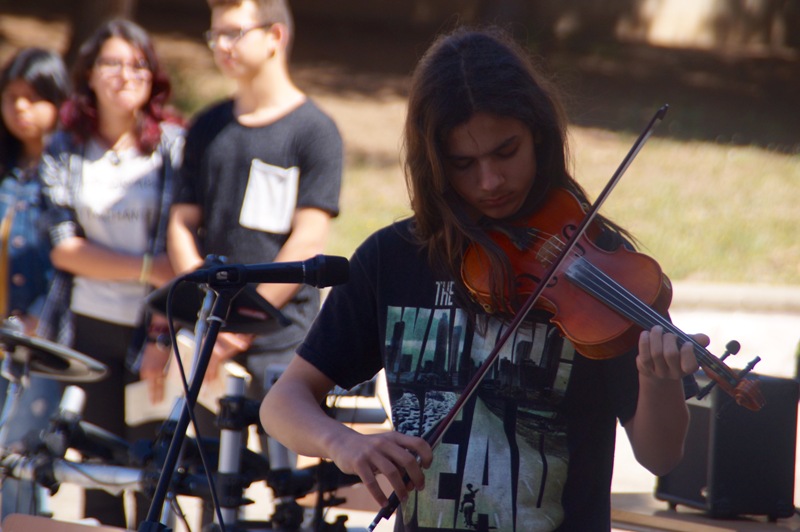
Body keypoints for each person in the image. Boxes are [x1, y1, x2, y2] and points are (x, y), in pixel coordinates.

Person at [260, 26, 707, 531]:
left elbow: (660, 455)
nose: (490, 181)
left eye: (506, 151)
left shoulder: (600, 263)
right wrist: (343, 442)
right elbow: (283, 403)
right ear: (435, 164)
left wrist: (658, 381)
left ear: (538, 135)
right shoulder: (392, 259)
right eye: (463, 163)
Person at [37, 19, 184, 528]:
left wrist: (163, 334)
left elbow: (180, 250)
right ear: (89, 74)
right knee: (97, 476)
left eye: (138, 64)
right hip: (86, 330)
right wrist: (147, 269)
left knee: (153, 474)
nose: (126, 74)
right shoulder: (64, 147)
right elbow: (64, 249)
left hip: (151, 334)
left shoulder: (173, 146)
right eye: (113, 63)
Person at [168, 0, 342, 400]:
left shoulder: (315, 131)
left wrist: (243, 322)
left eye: (234, 33)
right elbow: (181, 223)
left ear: (275, 36)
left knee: (279, 442)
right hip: (208, 338)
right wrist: (210, 313)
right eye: (215, 35)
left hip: (282, 343)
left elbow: (308, 240)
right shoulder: (207, 126)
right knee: (197, 442)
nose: (221, 46)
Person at [0, 46, 70, 519]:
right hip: (4, 334)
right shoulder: (6, 170)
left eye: (34, 97)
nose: (21, 107)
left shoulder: (68, 171)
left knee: (23, 455)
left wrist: (40, 318)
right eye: (11, 97)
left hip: (48, 341)